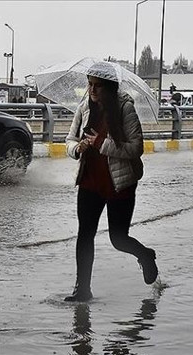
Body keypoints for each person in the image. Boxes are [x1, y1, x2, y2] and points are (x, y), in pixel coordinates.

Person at [63, 71, 158, 302]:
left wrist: (100, 144)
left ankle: (145, 255)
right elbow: (69, 140)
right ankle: (82, 289)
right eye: (90, 84)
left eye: (98, 86)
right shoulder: (85, 107)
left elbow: (136, 148)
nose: (92, 90)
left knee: (118, 238)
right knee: (85, 235)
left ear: (110, 88)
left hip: (120, 183)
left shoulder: (125, 109)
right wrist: (77, 149)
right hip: (90, 181)